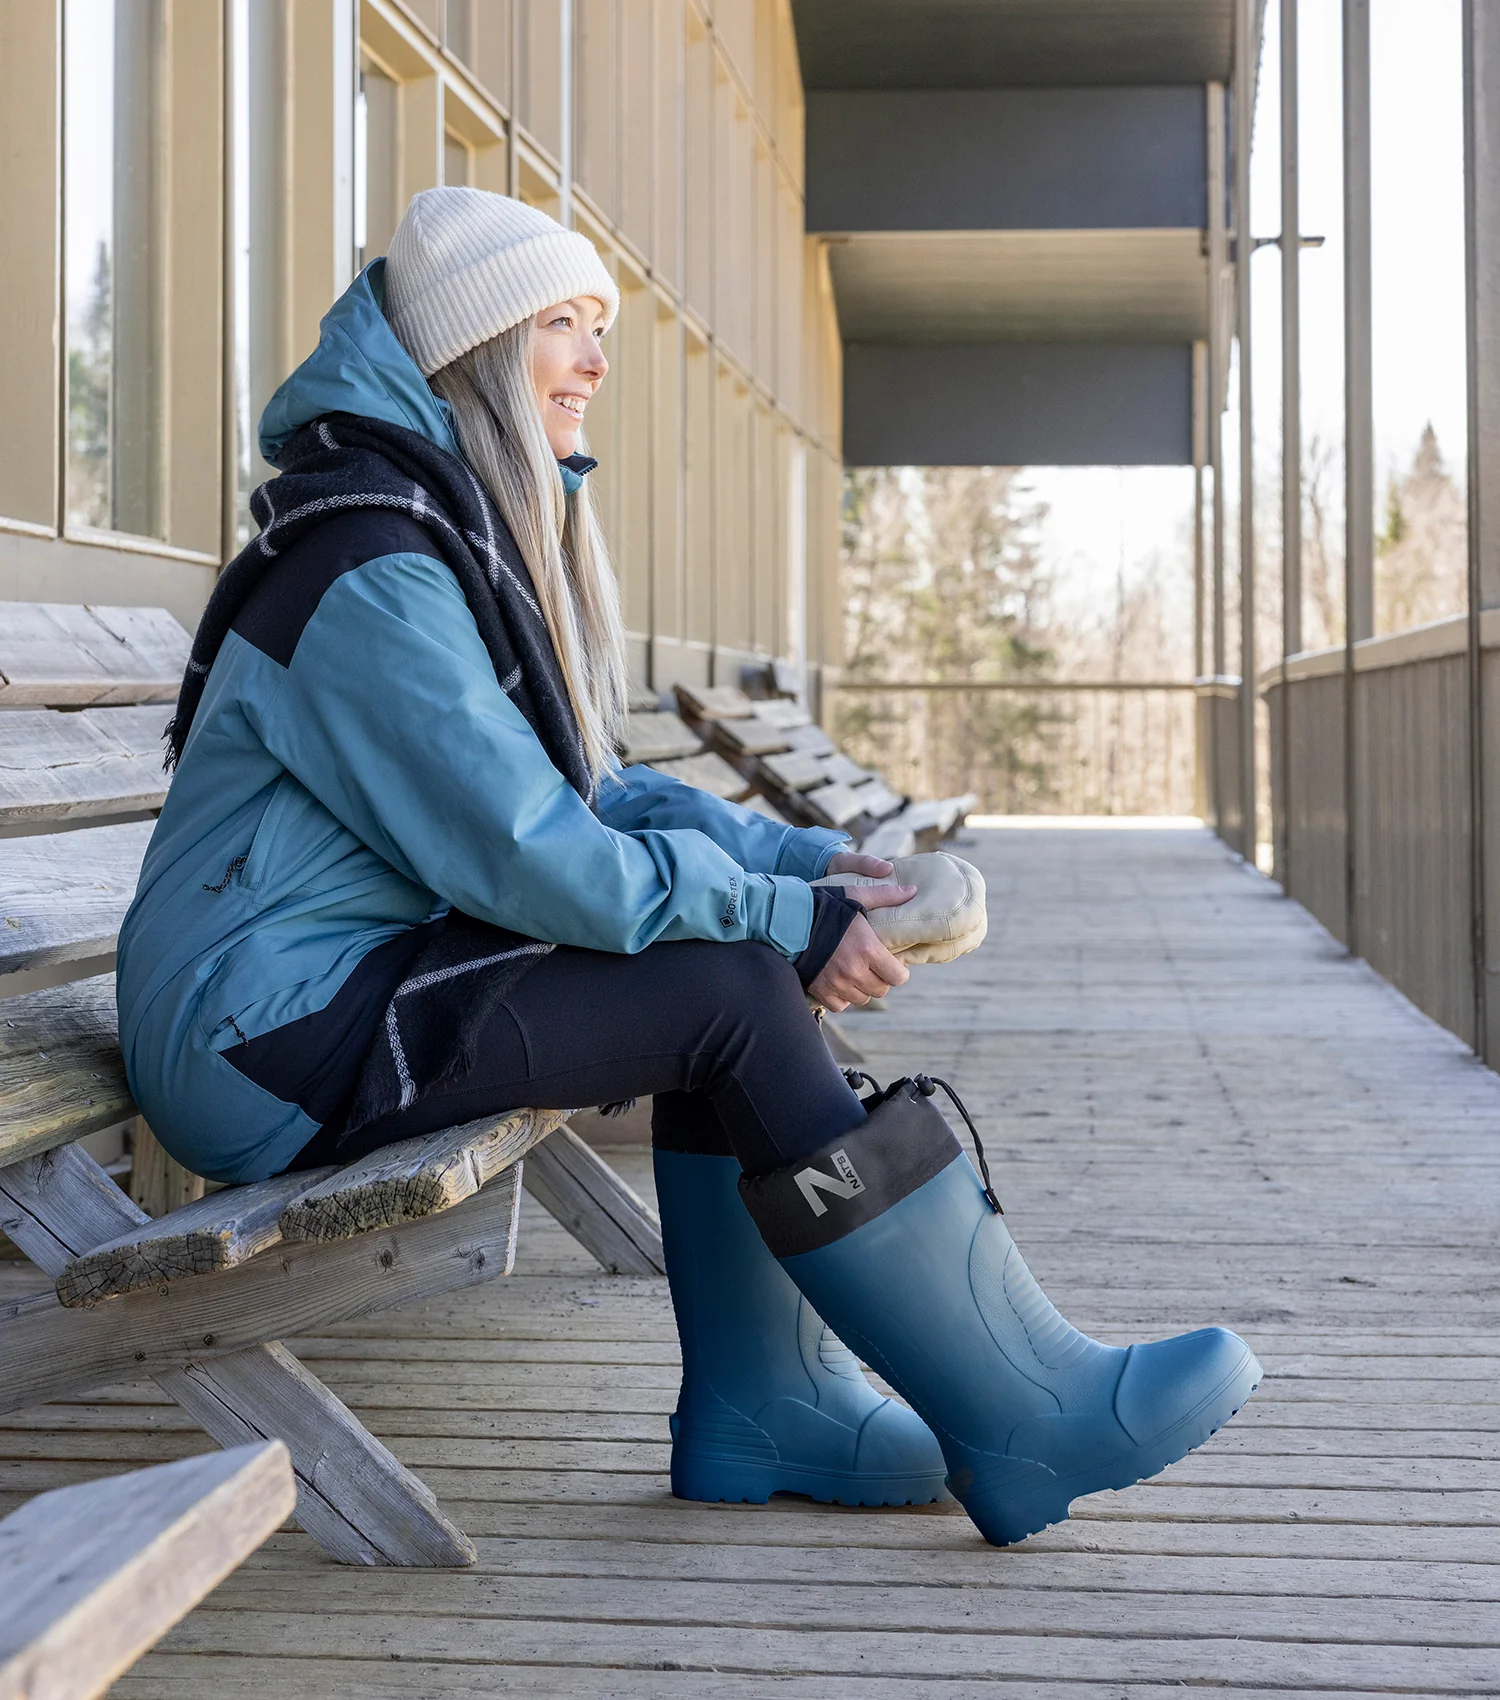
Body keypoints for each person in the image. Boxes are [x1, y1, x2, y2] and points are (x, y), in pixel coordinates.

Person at [117, 188, 1258, 1545]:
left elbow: (596, 789)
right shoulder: (370, 567)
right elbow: (536, 858)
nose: (598, 360)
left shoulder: (431, 536)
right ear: (473, 352)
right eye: (562, 324)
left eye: (601, 327)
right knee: (726, 981)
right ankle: (1011, 1411)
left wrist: (800, 858)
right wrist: (786, 917)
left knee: (727, 981)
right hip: (258, 1037)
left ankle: (770, 1407)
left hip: (323, 985)